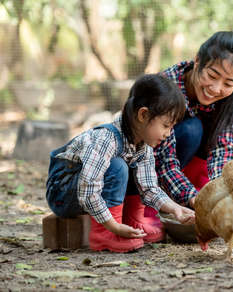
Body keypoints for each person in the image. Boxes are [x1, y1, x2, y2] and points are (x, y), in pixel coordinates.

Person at [46, 74, 195, 253]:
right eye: (166, 125)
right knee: (118, 166)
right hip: (64, 195)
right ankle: (103, 234)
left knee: (131, 167)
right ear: (143, 114)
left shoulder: (143, 145)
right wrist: (113, 227)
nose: (168, 133)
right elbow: (88, 191)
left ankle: (133, 222)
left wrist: (176, 209)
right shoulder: (106, 139)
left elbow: (149, 188)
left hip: (88, 194)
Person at [149, 30, 233, 212]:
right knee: (192, 129)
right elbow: (162, 160)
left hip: (189, 170)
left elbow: (224, 149)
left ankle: (202, 191)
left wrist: (219, 192)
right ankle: (165, 201)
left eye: (228, 84)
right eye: (212, 76)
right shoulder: (166, 88)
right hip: (159, 166)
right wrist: (189, 195)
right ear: (198, 60)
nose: (216, 88)